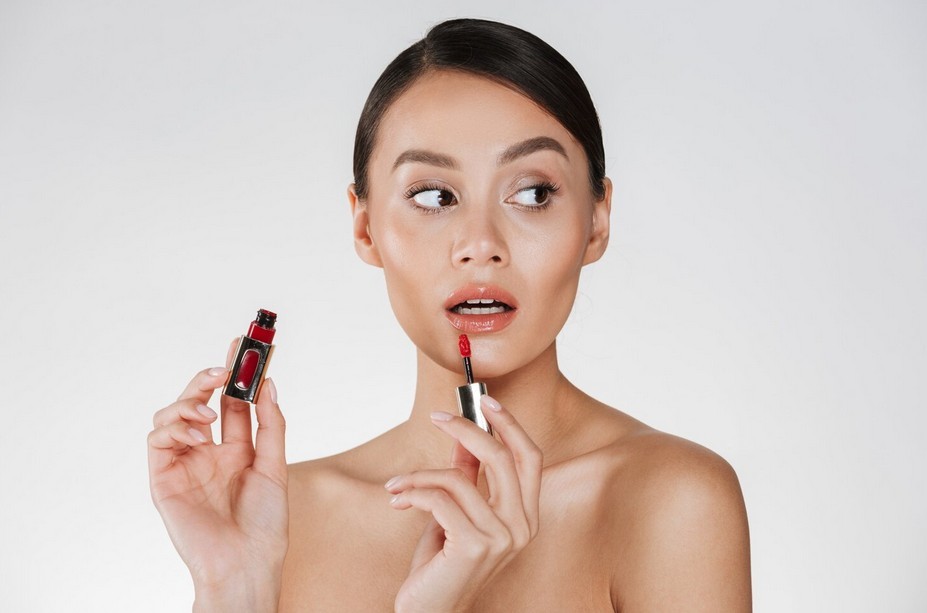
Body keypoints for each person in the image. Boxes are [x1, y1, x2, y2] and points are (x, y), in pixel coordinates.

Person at [148, 18, 751, 612]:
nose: (480, 243)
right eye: (434, 196)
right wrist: (233, 588)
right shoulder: (279, 519)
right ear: (365, 228)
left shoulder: (669, 501)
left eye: (533, 193)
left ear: (597, 221)